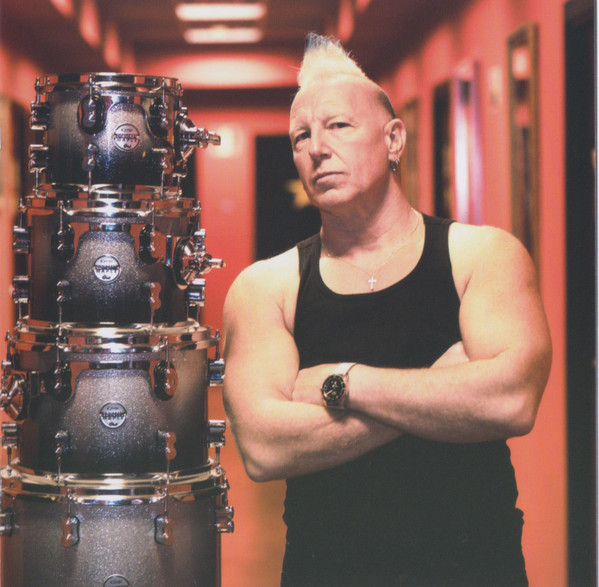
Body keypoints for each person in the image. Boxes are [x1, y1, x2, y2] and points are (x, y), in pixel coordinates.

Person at [222, 33, 552, 587]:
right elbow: (263, 448)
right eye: (301, 136)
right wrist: (443, 391)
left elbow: (512, 401)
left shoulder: (482, 256)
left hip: (475, 566)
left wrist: (342, 384)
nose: (317, 148)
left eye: (338, 126)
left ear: (393, 139)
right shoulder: (265, 287)